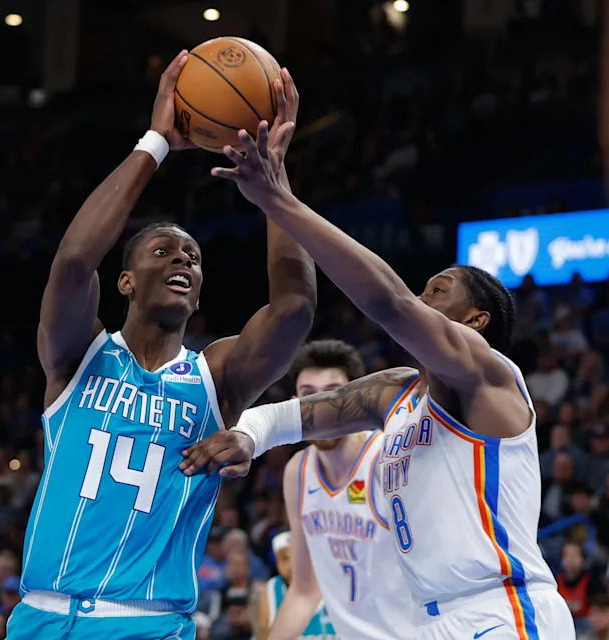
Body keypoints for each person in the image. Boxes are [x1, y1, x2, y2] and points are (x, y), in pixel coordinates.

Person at [180, 111, 574, 638]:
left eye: (438, 290)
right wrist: (249, 434)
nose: (421, 296)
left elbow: (387, 302)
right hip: (432, 618)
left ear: (475, 321)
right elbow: (299, 414)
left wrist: (280, 203)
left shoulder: (488, 373)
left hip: (502, 610)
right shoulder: (397, 392)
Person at [9, 53, 317, 640]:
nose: (183, 259)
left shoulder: (215, 377)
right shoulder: (78, 356)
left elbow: (294, 310)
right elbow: (74, 261)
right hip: (43, 617)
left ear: (198, 296)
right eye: (163, 252)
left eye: (194, 258)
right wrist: (155, 142)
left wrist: (275, 184)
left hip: (150, 624)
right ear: (124, 281)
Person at [264, 340, 415, 639]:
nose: (320, 408)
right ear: (295, 404)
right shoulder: (298, 471)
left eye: (333, 394)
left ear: (357, 399)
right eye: (309, 396)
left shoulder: (388, 458)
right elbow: (304, 591)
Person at [251, 531, 335, 639]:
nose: (292, 566)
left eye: (298, 557)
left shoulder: (336, 587)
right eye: (285, 558)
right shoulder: (271, 590)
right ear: (276, 563)